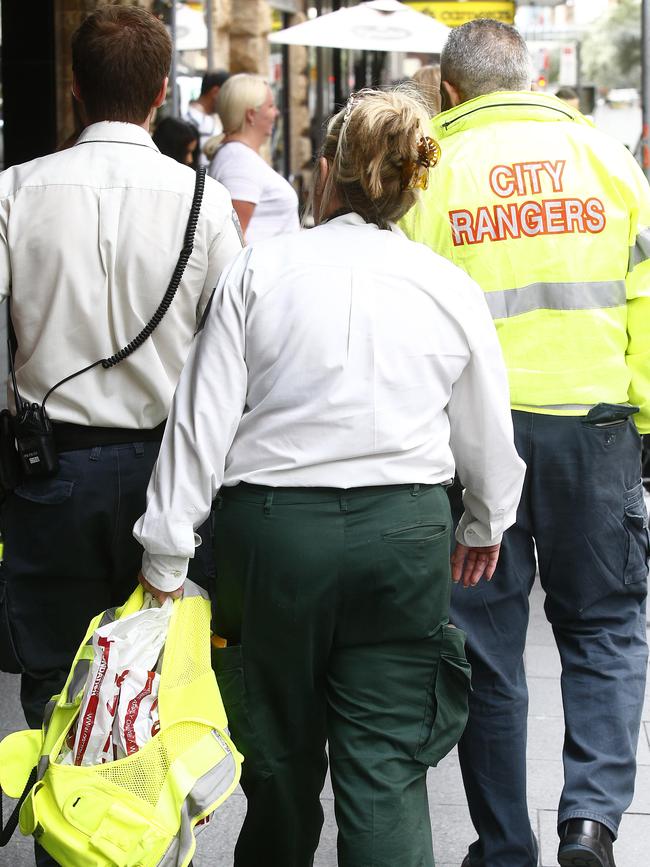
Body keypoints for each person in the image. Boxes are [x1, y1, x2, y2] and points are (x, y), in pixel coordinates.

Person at [134, 87, 526, 867]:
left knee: (276, 754)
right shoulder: (447, 286)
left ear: (326, 174)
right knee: (384, 768)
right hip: (402, 536)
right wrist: (486, 522)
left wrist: (166, 556)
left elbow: (201, 420)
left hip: (275, 538)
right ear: (414, 184)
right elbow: (487, 429)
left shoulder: (261, 269)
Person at [401, 18, 650, 867]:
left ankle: (504, 844)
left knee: (484, 645)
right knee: (606, 626)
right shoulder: (611, 162)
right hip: (595, 427)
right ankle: (589, 822)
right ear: (534, 73)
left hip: (473, 438)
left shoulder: (428, 169)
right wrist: (643, 422)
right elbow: (647, 300)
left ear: (450, 90)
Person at [0, 6, 241, 737]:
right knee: (154, 681)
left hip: (48, 472)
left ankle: (69, 839)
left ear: (74, 85)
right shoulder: (206, 200)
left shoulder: (15, 190)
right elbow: (235, 349)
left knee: (54, 680)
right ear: (162, 90)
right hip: (166, 475)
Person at [208, 73, 300, 243]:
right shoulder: (239, 162)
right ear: (251, 114)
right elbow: (234, 240)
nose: (276, 112)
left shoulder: (238, 157)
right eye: (271, 106)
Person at [184, 68, 230, 166]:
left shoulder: (206, 118)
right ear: (215, 92)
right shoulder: (196, 119)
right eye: (228, 95)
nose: (229, 100)